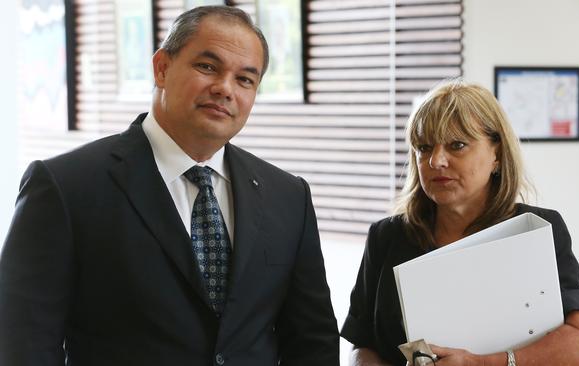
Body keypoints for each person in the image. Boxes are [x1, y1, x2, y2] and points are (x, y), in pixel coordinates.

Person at [0, 6, 339, 365]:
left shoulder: (288, 196)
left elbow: (312, 340)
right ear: (162, 68)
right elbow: (22, 342)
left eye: (245, 79)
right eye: (208, 67)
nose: (225, 88)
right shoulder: (66, 187)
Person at [341, 79, 579, 366]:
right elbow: (361, 345)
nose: (436, 161)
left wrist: (482, 363)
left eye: (457, 145)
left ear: (497, 154)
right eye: (424, 147)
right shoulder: (387, 236)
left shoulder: (536, 229)